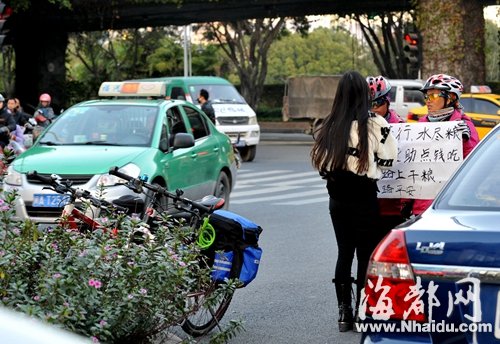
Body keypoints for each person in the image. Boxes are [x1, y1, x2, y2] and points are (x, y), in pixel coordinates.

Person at [310, 71, 398, 332]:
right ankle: (362, 313)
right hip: (364, 197)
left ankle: (343, 314)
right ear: (365, 94)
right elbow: (389, 159)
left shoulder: (327, 125)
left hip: (336, 198)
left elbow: (322, 163)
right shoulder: (375, 124)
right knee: (365, 255)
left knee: (344, 252)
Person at [403, 74, 479, 218]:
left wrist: (465, 141)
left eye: (433, 96)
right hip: (421, 205)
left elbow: (473, 168)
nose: (428, 101)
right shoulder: (421, 125)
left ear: (450, 97)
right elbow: (411, 165)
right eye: (426, 96)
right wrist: (406, 201)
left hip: (449, 204)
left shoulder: (465, 125)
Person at [366, 76, 406, 235]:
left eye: (378, 103)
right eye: (369, 104)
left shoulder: (403, 128)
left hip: (394, 206)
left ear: (388, 102)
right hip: (367, 203)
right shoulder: (356, 128)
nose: (373, 109)